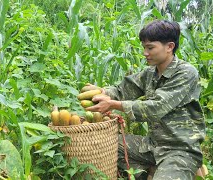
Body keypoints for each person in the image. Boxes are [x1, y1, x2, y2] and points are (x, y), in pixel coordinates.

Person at [84, 20, 206, 180]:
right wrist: (103, 92)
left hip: (180, 149)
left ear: (169, 47)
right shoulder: (150, 73)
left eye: (150, 48)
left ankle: (184, 167)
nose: (145, 53)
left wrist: (113, 104)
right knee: (104, 144)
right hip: (153, 145)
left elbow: (156, 107)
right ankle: (149, 171)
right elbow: (122, 90)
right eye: (144, 48)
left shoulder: (186, 73)